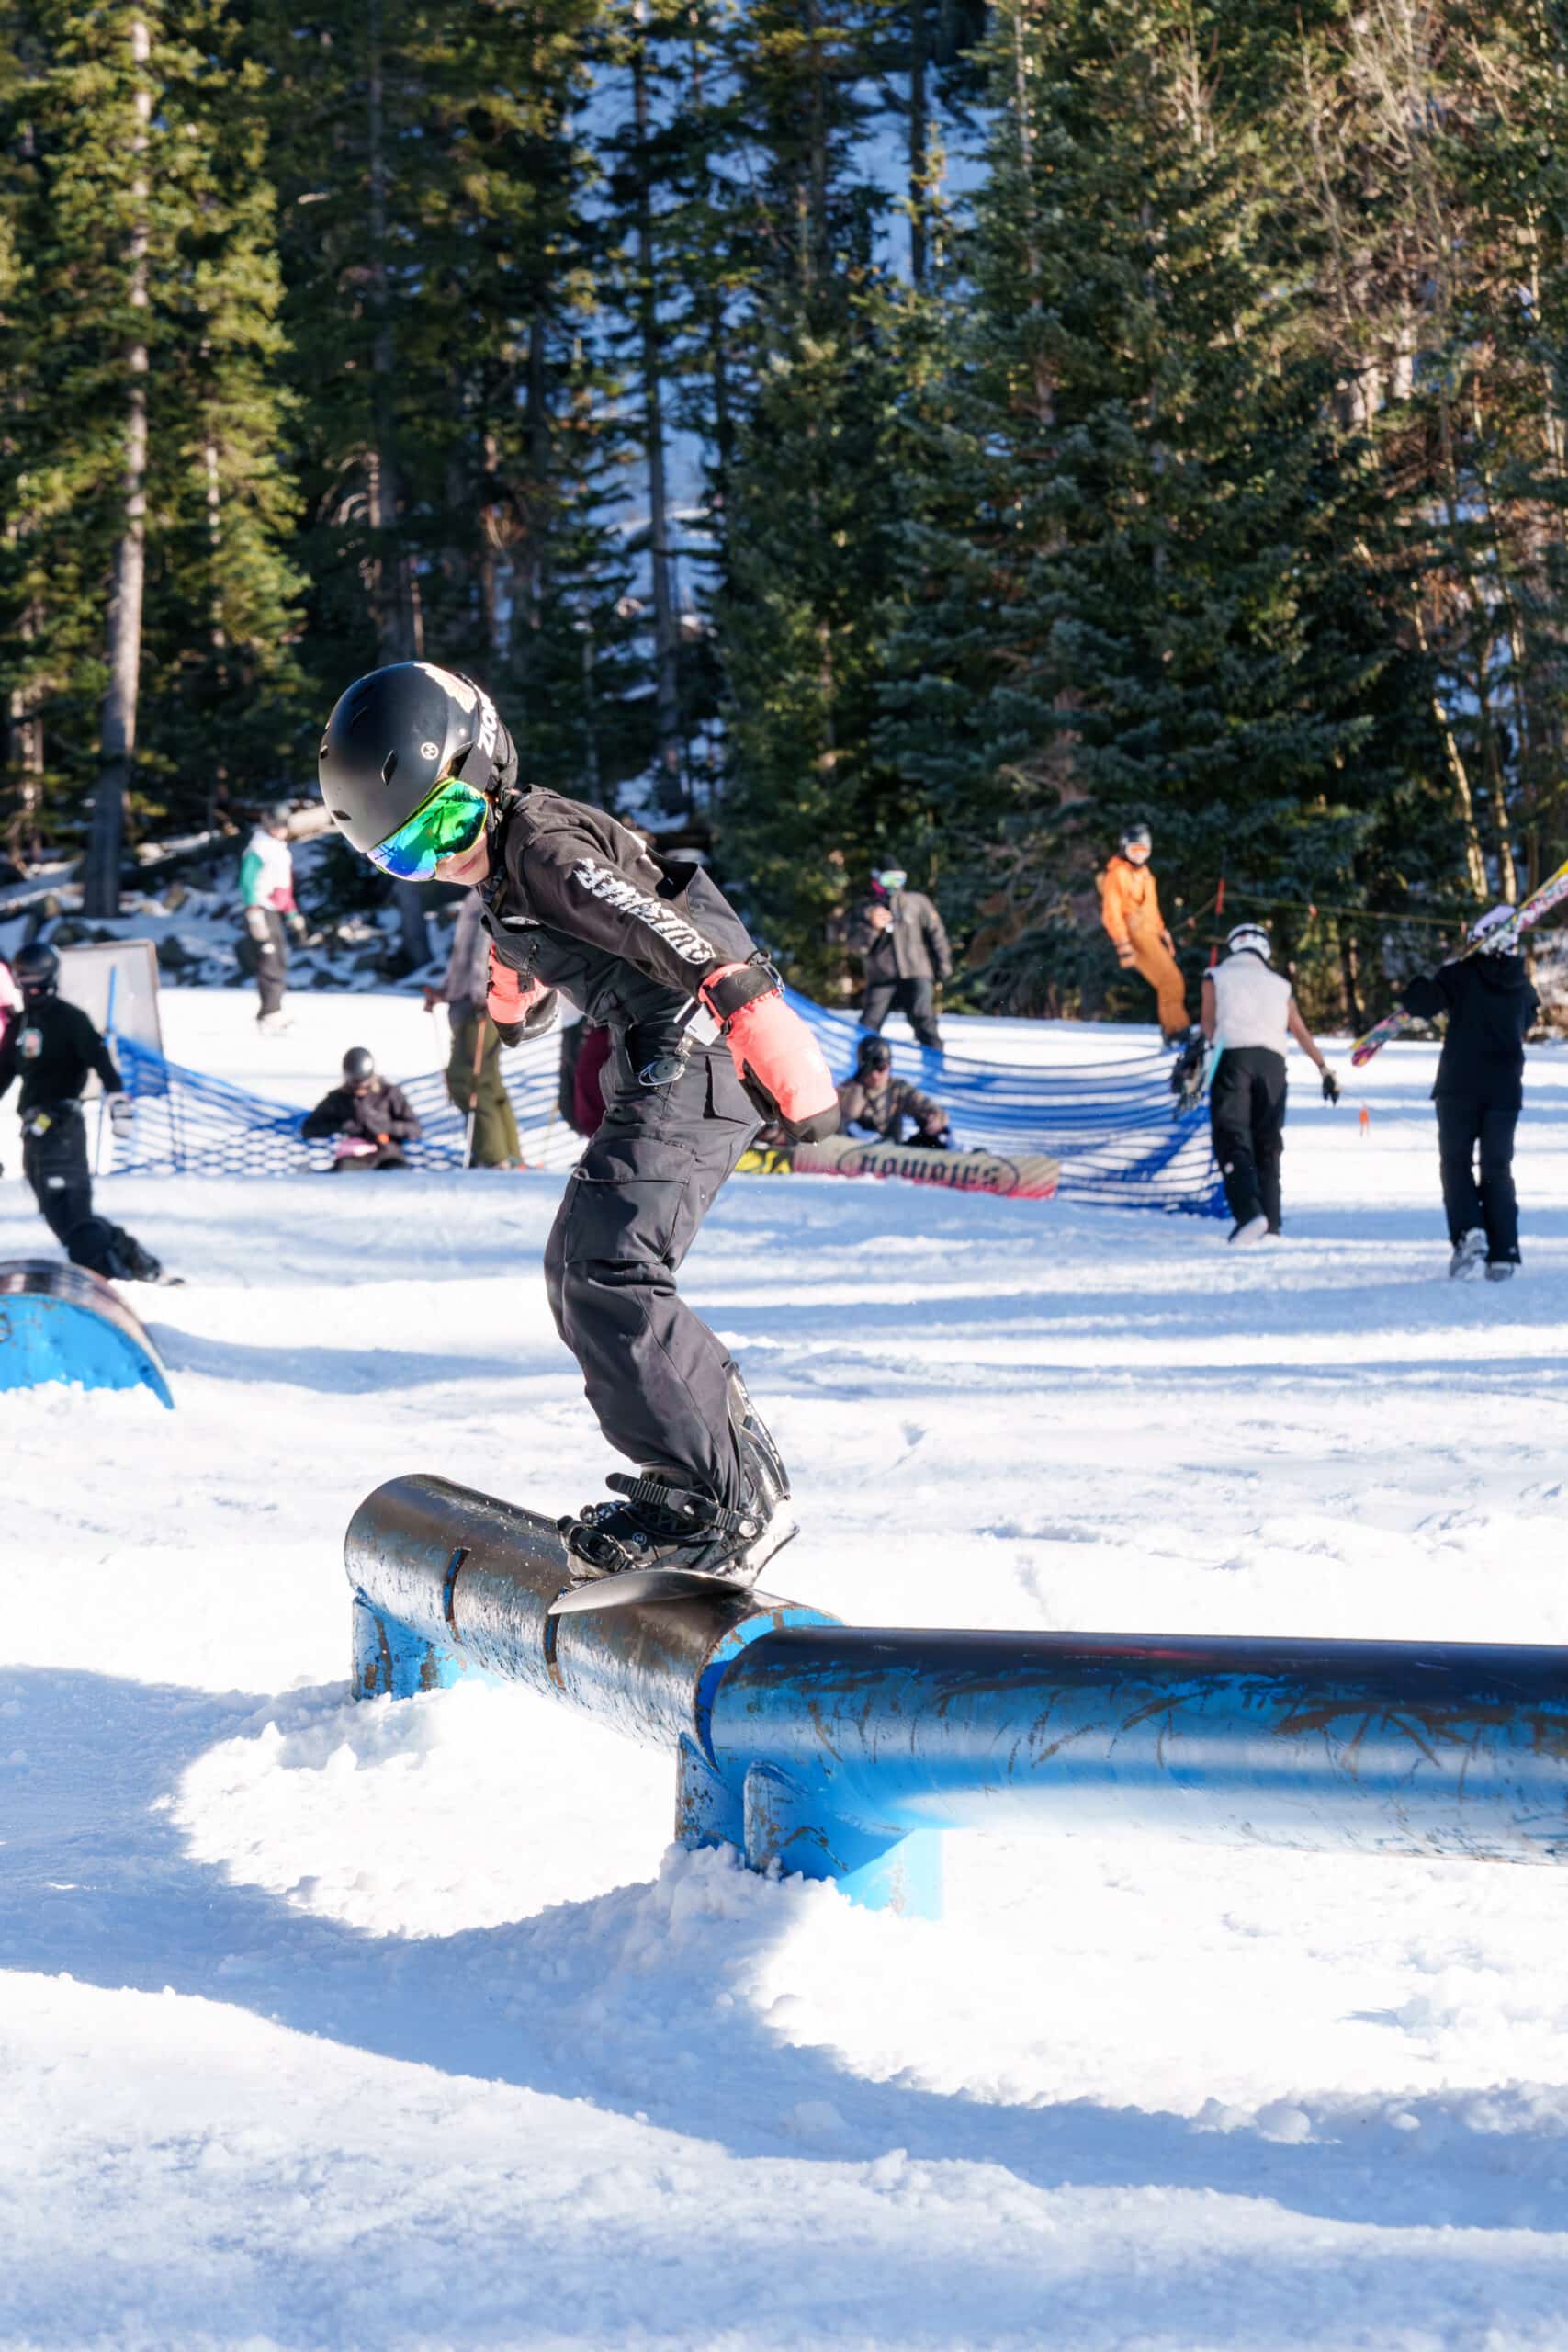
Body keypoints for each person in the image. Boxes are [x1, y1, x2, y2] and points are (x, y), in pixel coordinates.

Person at [317, 660, 839, 1589]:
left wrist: (774, 1041)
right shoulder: (509, 872)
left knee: (610, 1266)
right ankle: (696, 1473)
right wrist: (513, 996)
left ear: (490, 773)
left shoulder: (546, 852)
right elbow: (529, 941)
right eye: (408, 854)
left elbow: (661, 929)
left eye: (445, 824)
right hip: (666, 1052)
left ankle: (728, 1502)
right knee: (578, 1269)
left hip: (707, 1038)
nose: (445, 857)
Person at [0, 943, 164, 1280]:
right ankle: (129, 1256)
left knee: (72, 1214)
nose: (32, 989)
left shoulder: (69, 1018)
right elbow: (2, 1072)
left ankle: (115, 1276)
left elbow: (99, 1058)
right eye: (25, 980)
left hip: (61, 1126)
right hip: (33, 1131)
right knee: (58, 1214)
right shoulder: (21, 1026)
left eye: (38, 981)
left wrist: (118, 1098)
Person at [1399, 906, 1537, 1282]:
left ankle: (1469, 1233)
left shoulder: (1460, 975)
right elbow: (1529, 1017)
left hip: (1459, 1086)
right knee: (1497, 1167)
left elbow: (1422, 1004)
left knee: (1456, 1162)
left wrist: (1415, 985)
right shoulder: (1521, 983)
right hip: (1505, 1089)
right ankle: (1504, 1250)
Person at [1201, 922, 1339, 1244]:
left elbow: (1208, 1025)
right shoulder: (1280, 985)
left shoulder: (1216, 975)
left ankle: (1250, 1214)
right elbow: (1300, 1030)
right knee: (1268, 1143)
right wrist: (1324, 1069)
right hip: (1273, 1065)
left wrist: (1200, 1064)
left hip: (1233, 1059)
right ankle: (1272, 1223)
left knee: (1232, 1136)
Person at [423, 890, 523, 1168]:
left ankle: (494, 1156)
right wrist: (443, 991)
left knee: (466, 1078)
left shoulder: (492, 895)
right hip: (468, 999)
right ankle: (509, 1154)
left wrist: (482, 996)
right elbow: (463, 955)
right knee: (486, 1079)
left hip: (479, 1004)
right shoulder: (476, 896)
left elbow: (486, 953)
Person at [1100, 823, 1190, 1043]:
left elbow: (1151, 910)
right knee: (1172, 981)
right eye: (1134, 851)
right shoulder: (1118, 874)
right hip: (1135, 937)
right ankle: (1177, 1030)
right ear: (1124, 849)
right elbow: (1111, 912)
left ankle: (1173, 1030)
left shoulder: (1146, 875)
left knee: (1169, 983)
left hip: (1150, 935)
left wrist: (1162, 932)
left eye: (1144, 851)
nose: (1139, 856)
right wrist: (1122, 943)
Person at [850, 865, 952, 1049]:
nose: (894, 886)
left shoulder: (917, 902)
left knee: (924, 1020)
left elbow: (937, 935)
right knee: (869, 1024)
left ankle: (935, 1069)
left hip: (916, 972)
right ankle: (863, 1070)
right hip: (882, 977)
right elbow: (856, 946)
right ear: (877, 879)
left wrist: (943, 966)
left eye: (900, 880)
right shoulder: (866, 909)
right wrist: (872, 927)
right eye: (889, 880)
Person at [240, 802, 305, 1035]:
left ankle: (274, 1009)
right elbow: (247, 882)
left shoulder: (279, 849)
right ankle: (269, 1012)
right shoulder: (258, 848)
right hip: (260, 910)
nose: (281, 830)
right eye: (276, 825)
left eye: (283, 826)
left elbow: (282, 889)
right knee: (269, 960)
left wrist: (293, 914)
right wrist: (252, 911)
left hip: (274, 911)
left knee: (279, 958)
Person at [301, 1046, 423, 1170]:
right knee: (344, 1172)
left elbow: (414, 1129)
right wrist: (341, 1126)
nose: (360, 1090)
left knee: (397, 1173)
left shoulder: (389, 1093)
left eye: (365, 1085)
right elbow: (308, 1129)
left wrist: (385, 1127)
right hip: (354, 1158)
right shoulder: (338, 1098)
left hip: (389, 1155)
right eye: (355, 1085)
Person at [837, 1036, 951, 1148]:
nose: (874, 1075)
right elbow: (847, 1115)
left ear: (889, 1066)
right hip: (853, 1155)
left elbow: (929, 1108)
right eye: (869, 1069)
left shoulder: (898, 1088)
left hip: (891, 1158)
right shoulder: (847, 1089)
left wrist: (936, 1117)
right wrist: (856, 1088)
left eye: (881, 1068)